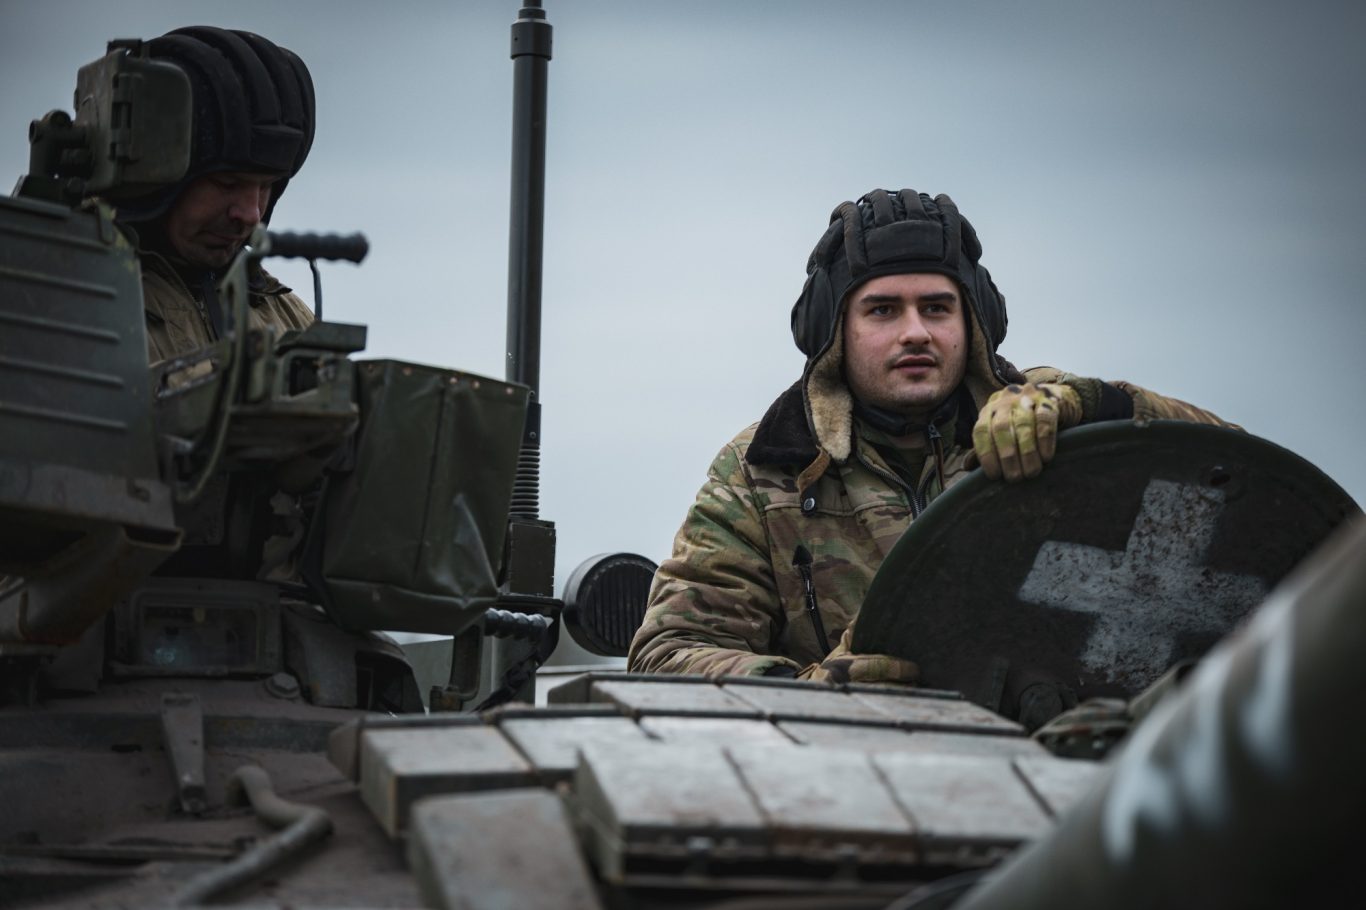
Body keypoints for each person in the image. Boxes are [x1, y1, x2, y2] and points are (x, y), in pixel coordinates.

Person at [627, 188, 1235, 683]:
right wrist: (807, 690)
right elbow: (669, 653)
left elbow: (1242, 479)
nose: (915, 332)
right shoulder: (768, 469)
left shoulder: (1059, 419)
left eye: (938, 308)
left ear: (974, 323)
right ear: (832, 334)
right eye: (883, 310)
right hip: (858, 765)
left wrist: (1097, 406)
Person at [109, 26, 316, 363]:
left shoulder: (289, 322)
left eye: (266, 186)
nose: (251, 214)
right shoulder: (77, 298)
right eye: (227, 183)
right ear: (158, 178)